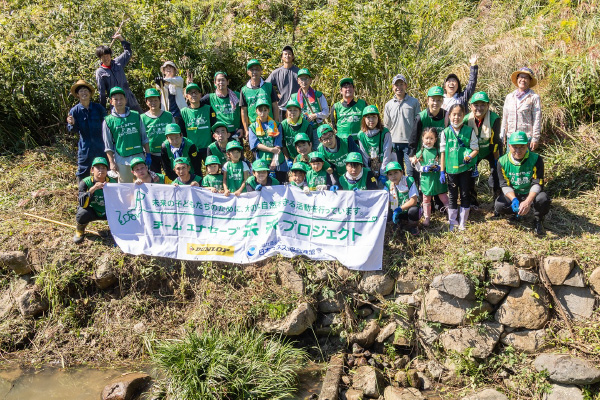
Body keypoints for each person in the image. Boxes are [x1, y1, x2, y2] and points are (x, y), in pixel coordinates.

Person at [495, 131, 549, 235]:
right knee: (499, 205)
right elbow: (504, 184)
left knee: (543, 199)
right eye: (515, 147)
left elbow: (537, 183)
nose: (518, 151)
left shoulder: (536, 159)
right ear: (509, 146)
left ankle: (538, 219)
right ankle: (518, 212)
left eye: (522, 147)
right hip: (515, 193)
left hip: (530, 194)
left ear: (527, 146)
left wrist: (528, 201)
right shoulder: (502, 161)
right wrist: (514, 199)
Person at [440, 104, 479, 231]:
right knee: (452, 195)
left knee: (464, 194)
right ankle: (452, 221)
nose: (456, 117)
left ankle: (463, 221)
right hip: (451, 170)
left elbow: (475, 149)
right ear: (449, 116)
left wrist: (470, 157)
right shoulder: (445, 132)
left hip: (465, 169)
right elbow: (443, 153)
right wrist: (442, 171)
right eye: (454, 114)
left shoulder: (469, 130)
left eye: (459, 114)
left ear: (464, 116)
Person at [102, 87, 150, 183]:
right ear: (111, 102)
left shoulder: (136, 115)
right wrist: (111, 162)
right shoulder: (108, 120)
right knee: (125, 187)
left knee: (144, 184)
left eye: (121, 98)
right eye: (116, 99)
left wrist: (148, 154)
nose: (119, 101)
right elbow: (108, 145)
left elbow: (144, 137)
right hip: (121, 159)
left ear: (125, 100)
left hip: (139, 156)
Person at [464, 91, 503, 206]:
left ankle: (497, 200)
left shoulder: (494, 118)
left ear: (488, 105)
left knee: (496, 172)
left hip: (491, 149)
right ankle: (472, 200)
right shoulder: (466, 120)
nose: (479, 108)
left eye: (483, 105)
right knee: (469, 174)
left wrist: (496, 161)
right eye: (476, 105)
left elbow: (495, 141)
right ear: (471, 106)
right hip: (474, 150)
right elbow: (465, 140)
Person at [67, 80, 107, 183]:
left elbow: (108, 125)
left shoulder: (98, 108)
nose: (84, 93)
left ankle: (105, 194)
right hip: (85, 147)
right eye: (81, 91)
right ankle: (82, 195)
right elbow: (73, 130)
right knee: (83, 171)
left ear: (90, 93)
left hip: (101, 145)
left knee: (104, 169)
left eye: (86, 91)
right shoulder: (74, 111)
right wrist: (72, 124)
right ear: (77, 94)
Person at [383, 74, 421, 179]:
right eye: (396, 85)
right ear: (392, 87)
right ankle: (400, 194)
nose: (399, 87)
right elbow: (386, 125)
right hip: (394, 143)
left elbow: (418, 123)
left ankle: (413, 194)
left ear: (406, 86)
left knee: (411, 172)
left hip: (409, 143)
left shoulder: (414, 102)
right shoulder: (389, 105)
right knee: (397, 171)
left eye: (401, 84)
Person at [95, 32, 142, 112]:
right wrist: (102, 109)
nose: (106, 58)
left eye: (107, 56)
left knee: (139, 118)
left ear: (110, 55)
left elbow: (128, 52)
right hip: (116, 101)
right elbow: (101, 92)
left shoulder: (118, 63)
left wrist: (121, 39)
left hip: (129, 98)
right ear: (100, 58)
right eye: (103, 57)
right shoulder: (100, 72)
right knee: (121, 123)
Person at [73, 157, 116, 244]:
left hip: (107, 210)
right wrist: (93, 189)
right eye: (98, 168)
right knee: (82, 213)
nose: (101, 170)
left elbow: (119, 201)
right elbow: (82, 203)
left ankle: (118, 231)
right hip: (92, 210)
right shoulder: (85, 182)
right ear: (92, 170)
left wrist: (111, 188)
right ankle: (80, 230)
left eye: (103, 168)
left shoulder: (112, 182)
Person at [414, 127, 449, 226]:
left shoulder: (438, 151)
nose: (429, 141)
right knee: (426, 199)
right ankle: (427, 218)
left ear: (435, 140)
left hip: (437, 179)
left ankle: (451, 215)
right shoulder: (420, 153)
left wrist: (439, 167)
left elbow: (443, 163)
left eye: (431, 138)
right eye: (427, 138)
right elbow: (416, 166)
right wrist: (423, 169)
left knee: (444, 198)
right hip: (426, 181)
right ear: (422, 139)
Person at [501, 67, 542, 151]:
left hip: (526, 138)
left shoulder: (534, 97)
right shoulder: (509, 97)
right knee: (511, 162)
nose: (523, 80)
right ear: (517, 79)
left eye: (526, 77)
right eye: (521, 77)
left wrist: (535, 138)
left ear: (530, 81)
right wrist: (502, 135)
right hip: (511, 137)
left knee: (526, 162)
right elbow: (505, 118)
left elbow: (537, 119)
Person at [248, 98, 288, 182]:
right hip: (261, 161)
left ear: (269, 110)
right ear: (256, 111)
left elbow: (278, 145)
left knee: (280, 186)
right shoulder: (252, 127)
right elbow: (256, 144)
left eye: (265, 110)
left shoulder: (277, 125)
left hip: (278, 161)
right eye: (260, 110)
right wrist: (270, 149)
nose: (263, 113)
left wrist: (274, 161)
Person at [198, 72, 243, 140]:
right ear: (215, 83)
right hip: (220, 135)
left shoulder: (237, 95)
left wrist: (242, 128)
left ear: (227, 82)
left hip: (236, 133)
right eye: (218, 80)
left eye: (223, 80)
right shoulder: (210, 98)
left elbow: (244, 112)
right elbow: (195, 104)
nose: (221, 82)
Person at [240, 59, 279, 136]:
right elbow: (243, 111)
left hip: (270, 125)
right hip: (254, 127)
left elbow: (275, 106)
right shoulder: (244, 90)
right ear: (248, 72)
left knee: (271, 147)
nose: (254, 72)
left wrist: (276, 123)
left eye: (257, 69)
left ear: (261, 71)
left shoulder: (269, 86)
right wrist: (246, 129)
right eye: (252, 70)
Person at [409, 86, 447, 164]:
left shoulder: (446, 116)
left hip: (441, 156)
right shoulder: (421, 117)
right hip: (423, 155)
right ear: (427, 101)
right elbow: (414, 137)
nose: (435, 103)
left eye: (439, 100)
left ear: (442, 101)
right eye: (433, 100)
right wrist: (412, 154)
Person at [141, 88, 174, 173]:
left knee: (170, 176)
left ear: (160, 101)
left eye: (155, 100)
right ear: (146, 102)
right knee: (154, 178)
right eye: (150, 100)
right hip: (151, 154)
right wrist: (146, 154)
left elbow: (175, 133)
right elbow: (141, 136)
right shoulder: (142, 118)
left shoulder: (168, 115)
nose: (153, 103)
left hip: (167, 152)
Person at [357, 105, 393, 182]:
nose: (371, 120)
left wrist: (383, 172)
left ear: (378, 118)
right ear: (364, 119)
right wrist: (369, 172)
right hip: (371, 165)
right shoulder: (361, 135)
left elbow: (387, 153)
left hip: (385, 163)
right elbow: (364, 155)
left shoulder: (385, 132)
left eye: (374, 117)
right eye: (368, 117)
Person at [179, 83, 212, 166]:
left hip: (207, 147)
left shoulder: (208, 109)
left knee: (211, 171)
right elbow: (182, 132)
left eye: (196, 92)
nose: (194, 95)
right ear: (187, 96)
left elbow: (213, 127)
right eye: (191, 93)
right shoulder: (183, 112)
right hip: (192, 148)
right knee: (196, 173)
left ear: (200, 95)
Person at [266, 45, 300, 121]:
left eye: (289, 53)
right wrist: (275, 96)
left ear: (293, 57)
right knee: (282, 130)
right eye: (285, 54)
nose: (287, 55)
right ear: (282, 57)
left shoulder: (298, 72)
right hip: (282, 107)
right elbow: (266, 86)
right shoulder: (276, 72)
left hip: (295, 108)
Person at [385, 161, 419, 234]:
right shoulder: (388, 184)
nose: (393, 176)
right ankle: (395, 224)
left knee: (414, 211)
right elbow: (386, 203)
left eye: (396, 172)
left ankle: (413, 226)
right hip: (395, 212)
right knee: (386, 212)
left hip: (407, 211)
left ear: (402, 172)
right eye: (390, 174)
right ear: (387, 176)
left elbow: (413, 201)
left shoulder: (409, 181)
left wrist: (399, 209)